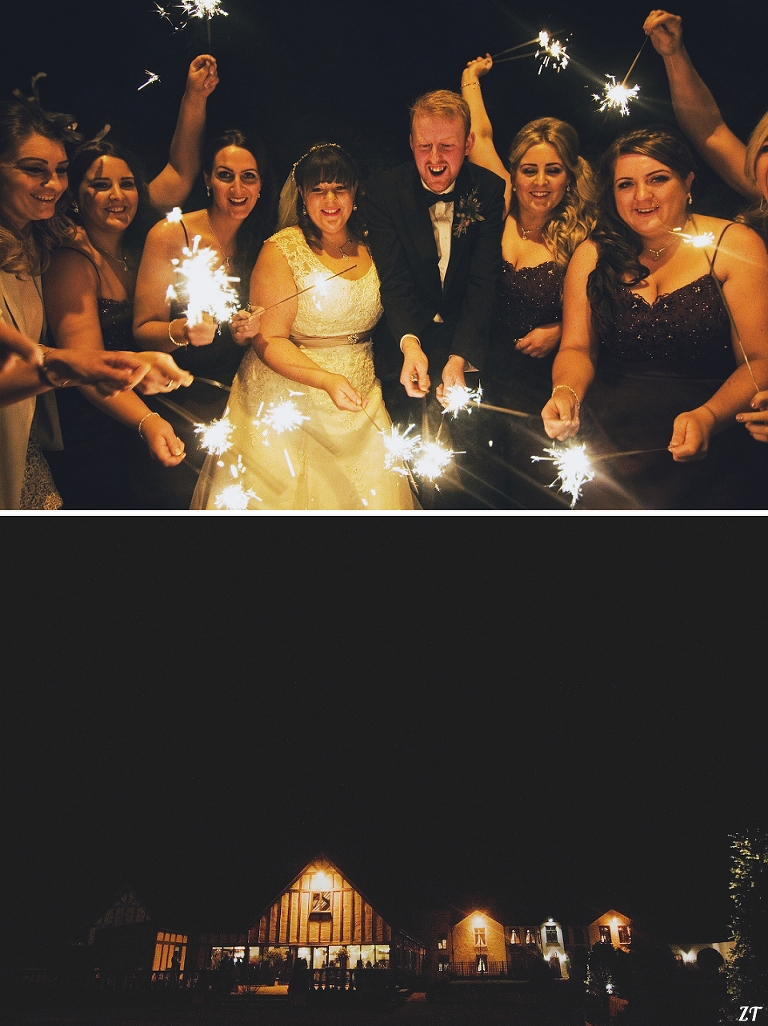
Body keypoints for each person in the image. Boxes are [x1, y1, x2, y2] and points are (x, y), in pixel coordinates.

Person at [541, 127, 768, 510]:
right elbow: (578, 348)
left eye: (658, 180)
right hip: (614, 452)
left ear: (688, 181)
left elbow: (761, 360)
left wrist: (710, 416)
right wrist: (566, 392)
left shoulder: (734, 244)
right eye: (626, 184)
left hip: (713, 450)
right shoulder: (593, 254)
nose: (642, 196)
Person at [191, 143, 415, 511]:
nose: (330, 199)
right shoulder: (282, 250)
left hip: (362, 395)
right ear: (302, 195)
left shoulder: (373, 244)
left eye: (339, 188)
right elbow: (269, 339)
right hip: (288, 399)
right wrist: (325, 379)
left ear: (354, 191)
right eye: (318, 189)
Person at [41, 55, 218, 509]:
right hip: (96, 426)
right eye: (100, 186)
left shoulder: (139, 241)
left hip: (146, 413)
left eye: (127, 184)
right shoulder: (71, 262)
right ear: (75, 198)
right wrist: (146, 422)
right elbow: (84, 365)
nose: (118, 196)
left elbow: (179, 173)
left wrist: (194, 97)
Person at [0, 98, 163, 510]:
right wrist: (77, 365)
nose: (53, 184)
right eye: (35, 169)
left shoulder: (34, 241)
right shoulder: (68, 260)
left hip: (22, 438)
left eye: (59, 171)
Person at [459, 56, 597, 507]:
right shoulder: (499, 203)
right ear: (514, 174)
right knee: (474, 490)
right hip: (482, 379)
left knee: (536, 496)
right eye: (529, 170)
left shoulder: (586, 233)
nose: (539, 182)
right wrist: (470, 81)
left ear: (569, 175)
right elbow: (479, 137)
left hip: (545, 384)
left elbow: (612, 309)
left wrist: (560, 331)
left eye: (553, 170)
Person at [364, 90, 504, 505]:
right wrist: (411, 343)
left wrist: (460, 357)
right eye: (425, 146)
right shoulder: (384, 191)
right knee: (406, 468)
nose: (436, 158)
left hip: (469, 340)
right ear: (411, 144)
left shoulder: (489, 189)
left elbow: (483, 280)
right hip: (406, 345)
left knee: (471, 470)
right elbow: (394, 279)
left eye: (447, 146)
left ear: (467, 145)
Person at [133, 129, 274, 501]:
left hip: (243, 395)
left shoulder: (262, 240)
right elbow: (142, 330)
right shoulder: (170, 235)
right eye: (225, 175)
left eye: (249, 176)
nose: (237, 187)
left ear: (261, 185)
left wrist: (245, 330)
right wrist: (182, 330)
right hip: (181, 395)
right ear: (208, 181)